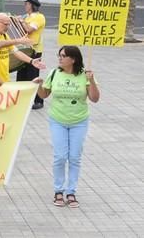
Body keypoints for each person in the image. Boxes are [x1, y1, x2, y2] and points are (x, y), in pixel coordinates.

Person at [35, 46, 100, 209]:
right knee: (60, 156)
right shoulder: (54, 73)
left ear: (73, 59)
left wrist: (91, 81)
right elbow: (44, 95)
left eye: (63, 56)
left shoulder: (85, 75)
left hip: (79, 121)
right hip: (58, 120)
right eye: (59, 55)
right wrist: (39, 85)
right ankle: (58, 190)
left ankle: (71, 192)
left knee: (75, 157)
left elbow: (94, 98)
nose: (59, 58)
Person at [0, 13, 44, 84]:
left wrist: (31, 61)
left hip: (5, 79)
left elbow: (16, 52)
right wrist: (18, 40)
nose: (8, 27)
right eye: (5, 24)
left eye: (9, 25)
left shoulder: (5, 36)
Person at [19, 0, 47, 110]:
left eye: (26, 4)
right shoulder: (27, 17)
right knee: (22, 75)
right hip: (24, 48)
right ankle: (23, 99)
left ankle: (38, 100)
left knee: (33, 75)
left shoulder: (39, 17)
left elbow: (29, 29)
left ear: (31, 5)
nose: (25, 6)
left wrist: (21, 21)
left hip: (34, 50)